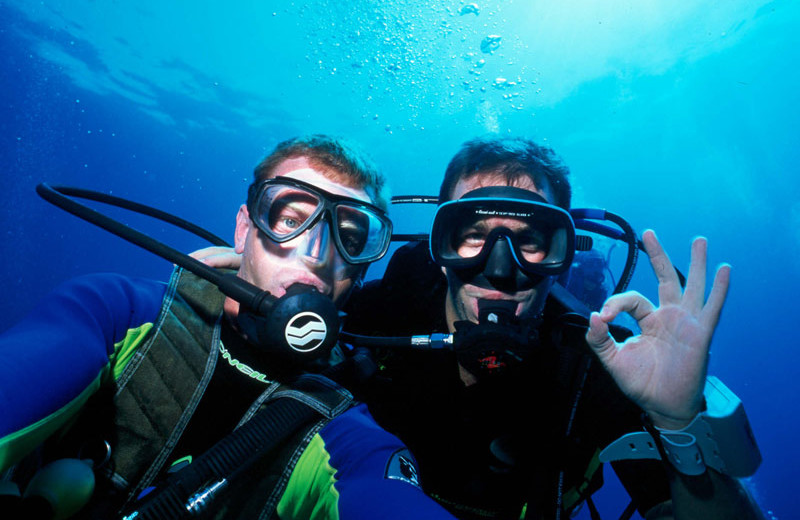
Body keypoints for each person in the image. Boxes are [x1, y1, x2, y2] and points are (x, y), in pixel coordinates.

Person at [0, 135, 458, 519]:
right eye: (290, 219)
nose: (317, 252)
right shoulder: (117, 313)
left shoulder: (341, 428)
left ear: (360, 271)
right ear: (244, 230)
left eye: (351, 237)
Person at [341, 136, 766, 520]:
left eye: (529, 241)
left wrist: (678, 424)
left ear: (561, 253)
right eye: (473, 235)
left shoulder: (601, 362)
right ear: (440, 244)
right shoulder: (374, 318)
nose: (499, 270)